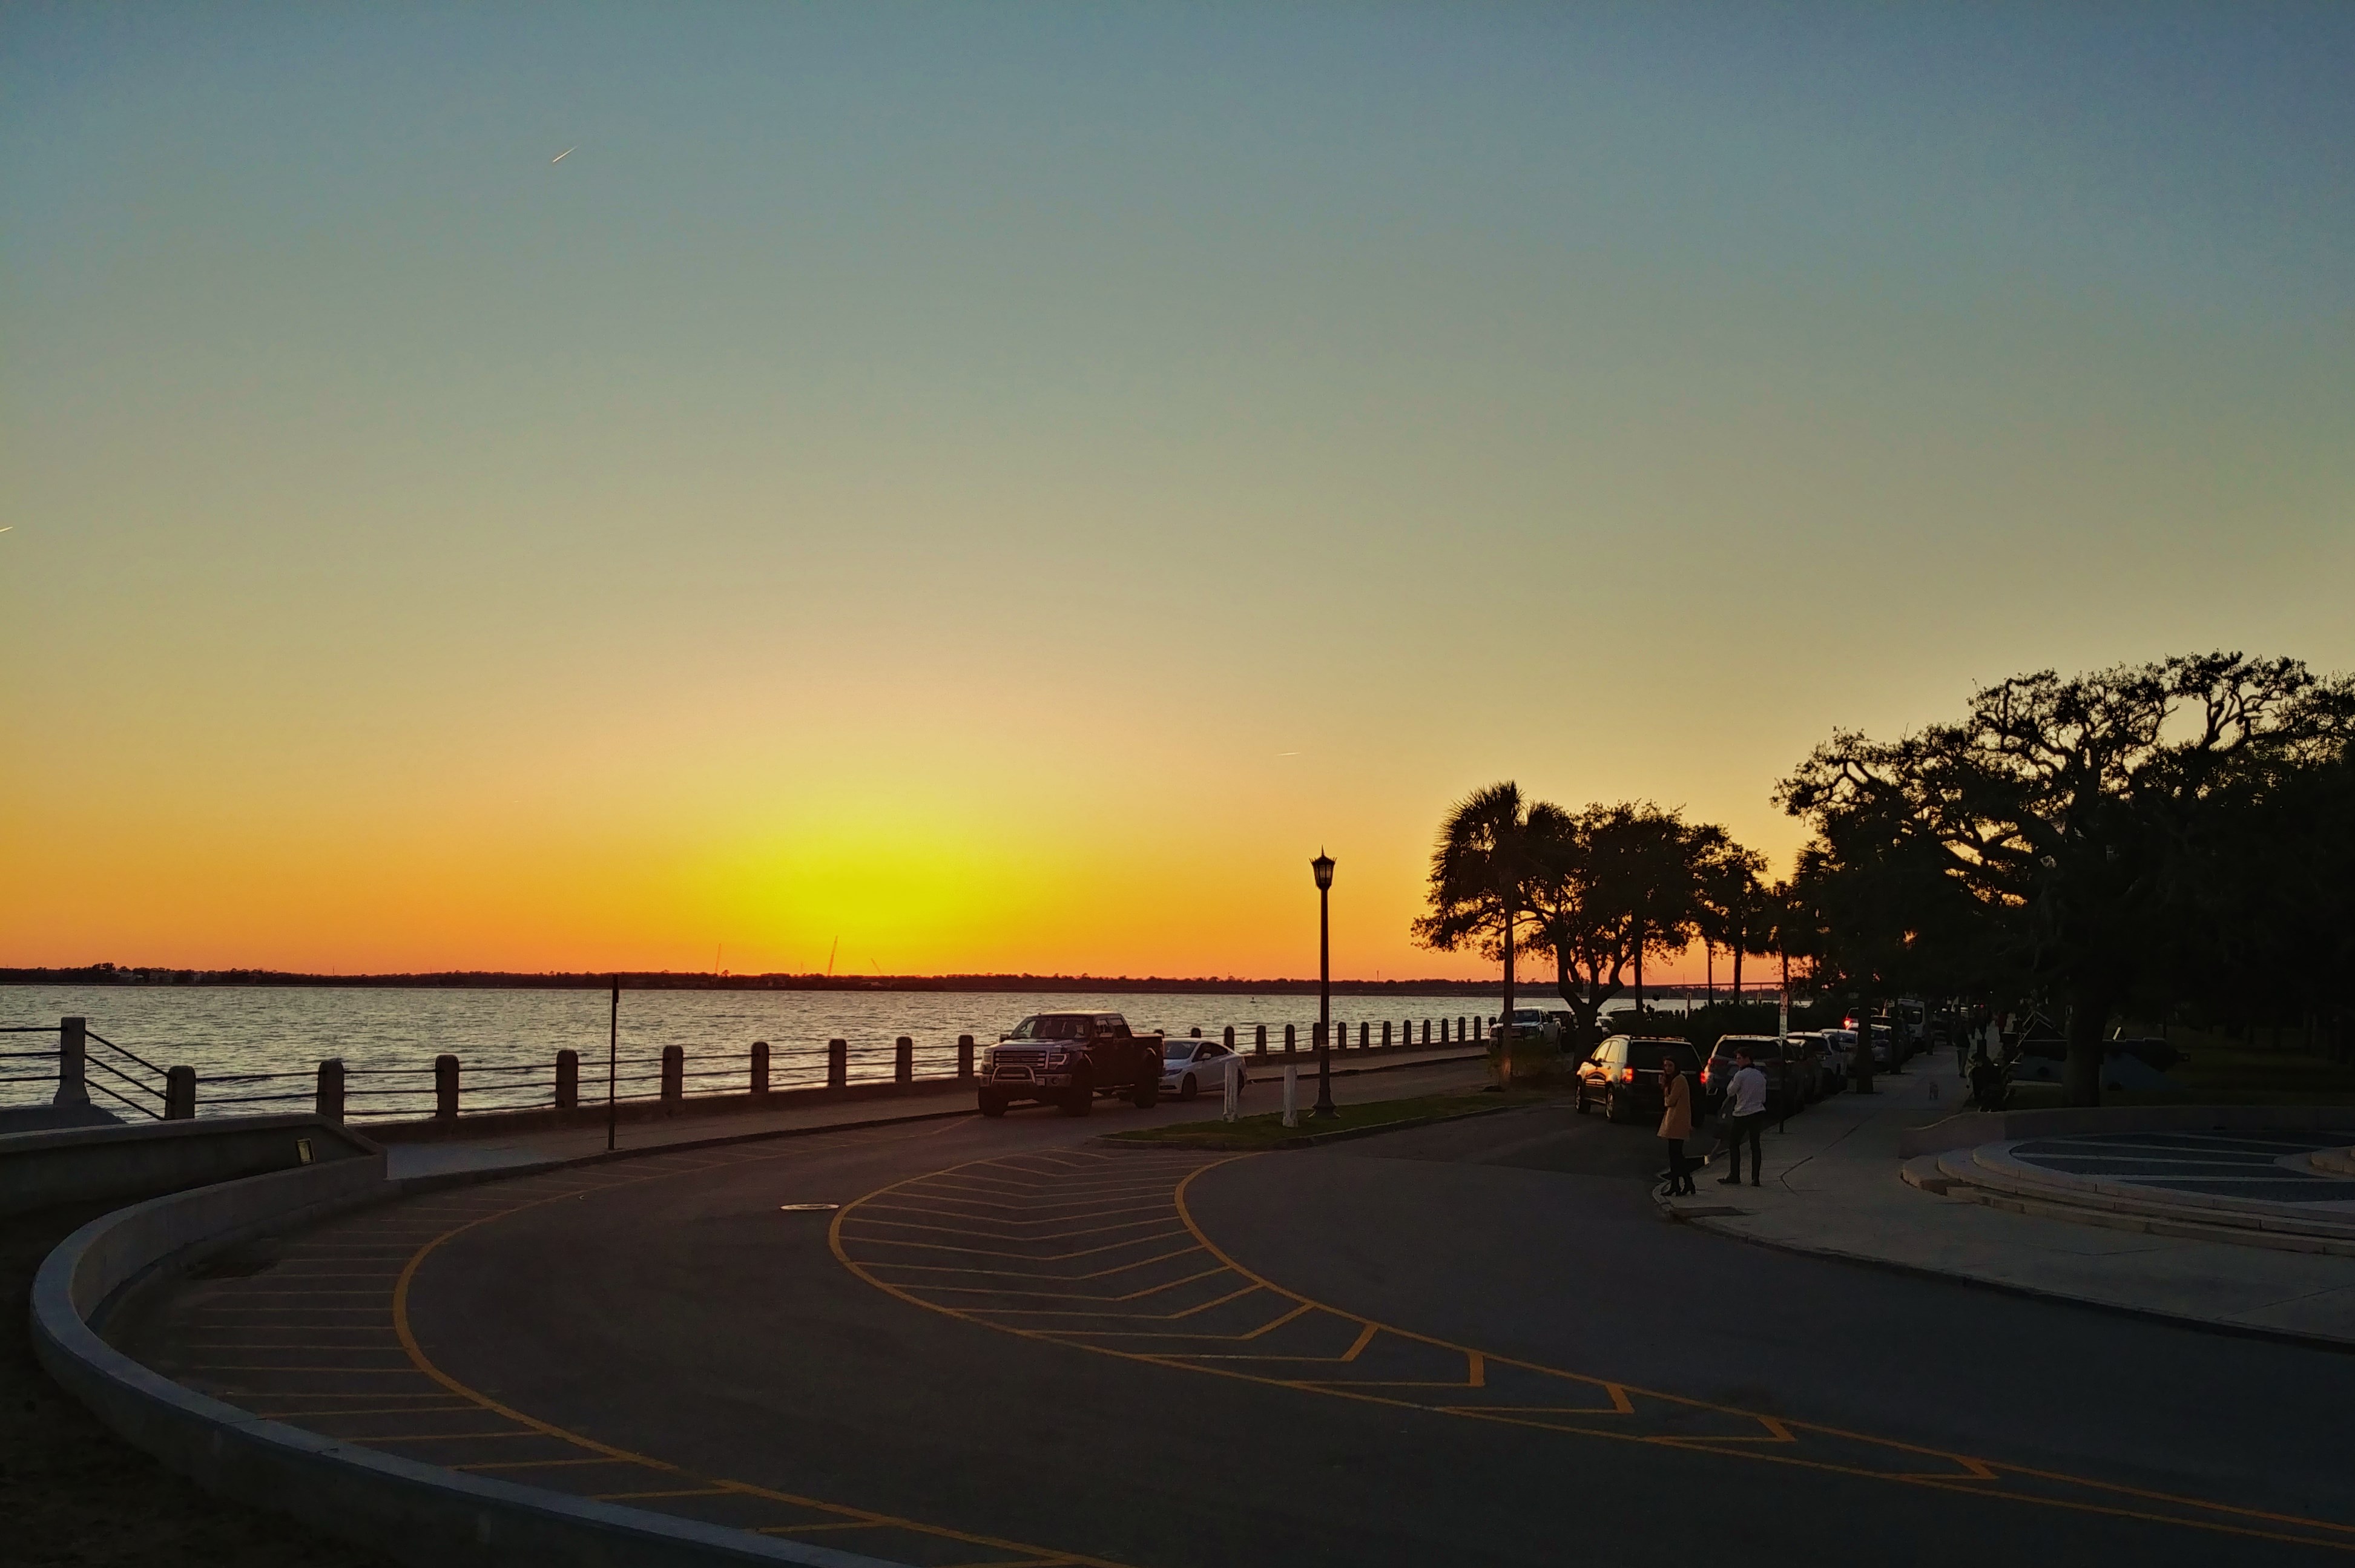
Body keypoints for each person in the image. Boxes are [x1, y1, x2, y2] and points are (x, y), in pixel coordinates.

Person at [1717, 1047, 1768, 1187]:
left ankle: (1735, 1174)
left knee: (1734, 1144)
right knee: (1755, 1145)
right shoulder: (1760, 1076)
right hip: (1758, 1112)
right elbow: (1763, 1097)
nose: (1737, 1061)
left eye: (1739, 1058)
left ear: (1747, 1059)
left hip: (1742, 1113)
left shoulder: (1740, 1075)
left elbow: (1731, 1092)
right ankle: (1755, 1178)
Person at [1657, 1056, 1695, 1196]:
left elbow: (1670, 1101)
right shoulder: (1675, 1080)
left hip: (1678, 1120)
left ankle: (1682, 1184)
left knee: (1676, 1155)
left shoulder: (1679, 1080)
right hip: (1675, 1120)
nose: (1667, 1069)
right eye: (1665, 1066)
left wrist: (1664, 1090)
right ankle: (1681, 1184)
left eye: (1670, 1066)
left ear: (1676, 1067)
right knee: (1675, 1156)